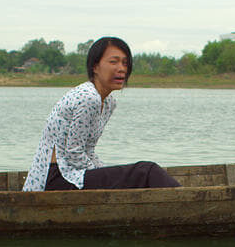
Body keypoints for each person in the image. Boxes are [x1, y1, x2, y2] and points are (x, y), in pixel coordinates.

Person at [22, 36, 180, 191]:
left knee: (142, 173)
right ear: (95, 67)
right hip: (58, 178)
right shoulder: (88, 97)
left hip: (73, 174)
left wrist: (102, 171)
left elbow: (88, 149)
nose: (122, 68)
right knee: (146, 171)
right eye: (113, 62)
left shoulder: (109, 102)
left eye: (125, 63)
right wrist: (102, 175)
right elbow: (74, 153)